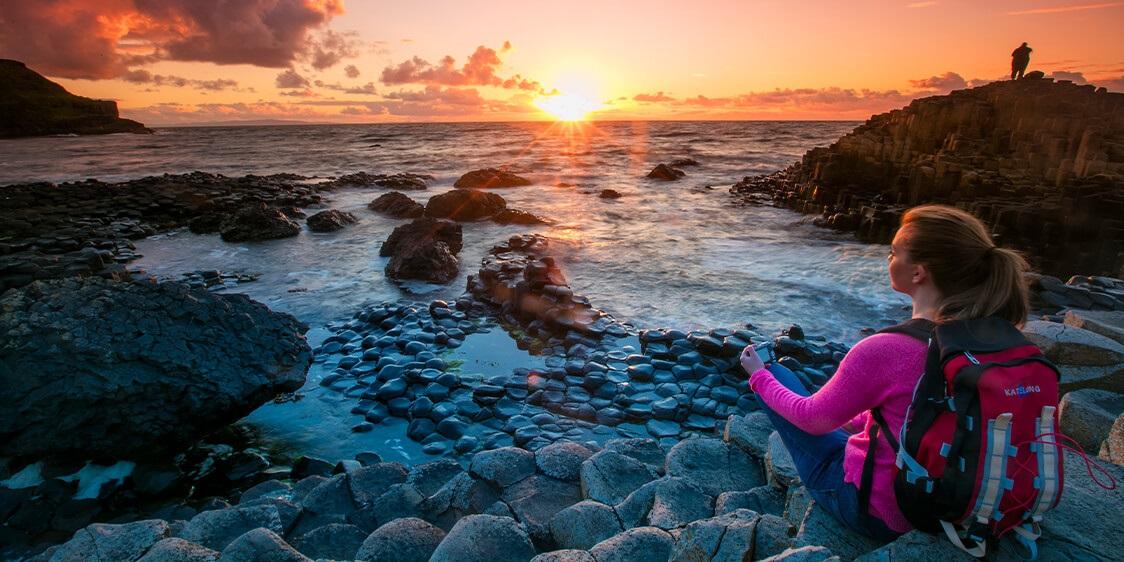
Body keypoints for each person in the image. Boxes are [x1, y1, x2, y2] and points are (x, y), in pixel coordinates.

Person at [739, 204, 1029, 541]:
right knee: (842, 410)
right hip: (966, 498)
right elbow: (920, 409)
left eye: (893, 252)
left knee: (780, 375)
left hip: (883, 513)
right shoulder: (999, 340)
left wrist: (759, 376)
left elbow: (812, 419)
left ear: (918, 272)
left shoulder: (888, 348)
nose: (888, 259)